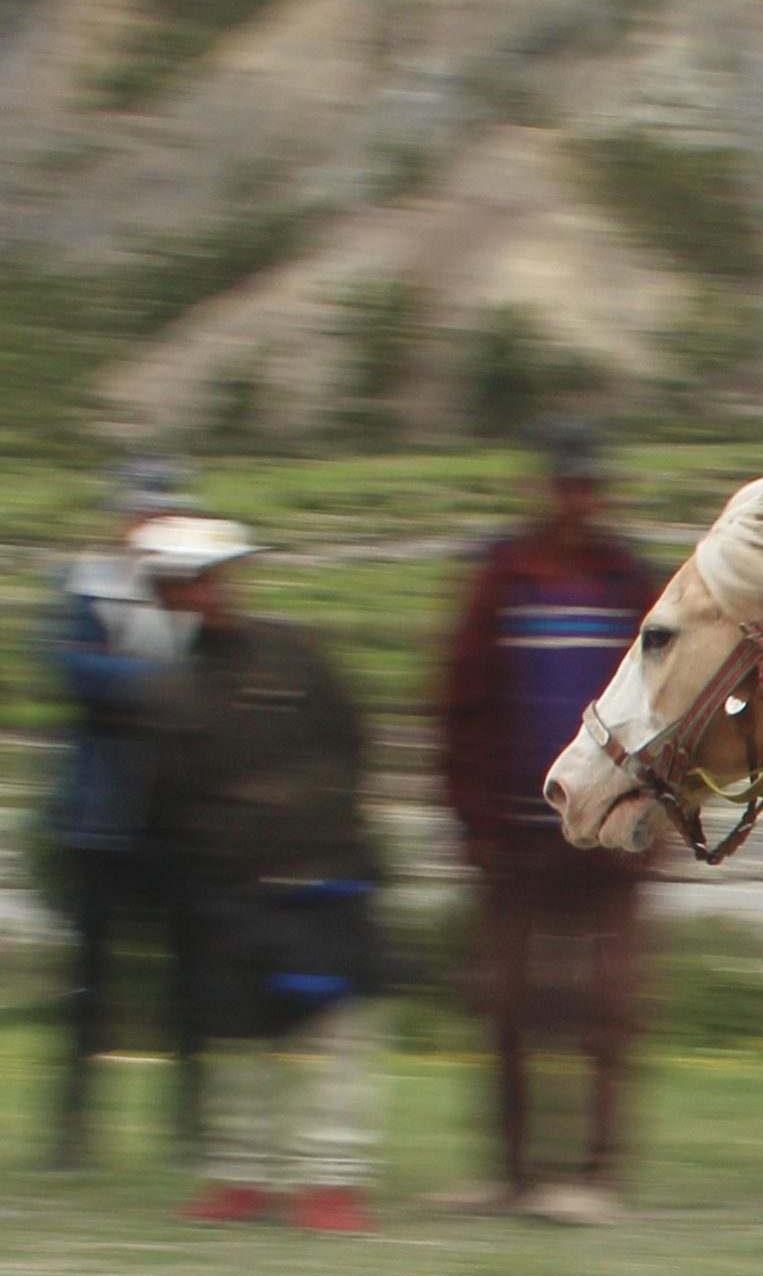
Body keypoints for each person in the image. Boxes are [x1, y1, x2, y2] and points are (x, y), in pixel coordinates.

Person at [435, 420, 658, 1223]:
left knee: (608, 1001)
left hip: (610, 834)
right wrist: (472, 824)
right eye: (566, 485)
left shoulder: (630, 583)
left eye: (589, 486)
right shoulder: (504, 576)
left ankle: (594, 1175)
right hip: (514, 833)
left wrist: (649, 820)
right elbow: (458, 705)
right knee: (507, 1001)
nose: (578, 502)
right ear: (545, 489)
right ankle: (514, 1173)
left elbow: (670, 706)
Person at [140, 516, 385, 1232]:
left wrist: (315, 819)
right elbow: (166, 801)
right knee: (237, 1038)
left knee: (339, 1032)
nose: (202, 594)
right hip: (229, 888)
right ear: (167, 596)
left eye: (211, 578)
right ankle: (241, 1175)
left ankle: (332, 1181)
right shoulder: (168, 693)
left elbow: (353, 740)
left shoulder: (296, 653)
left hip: (326, 871)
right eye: (183, 584)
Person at [41, 457, 206, 1169]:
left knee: (187, 977)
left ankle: (192, 1129)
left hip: (174, 816)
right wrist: (157, 683)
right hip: (101, 816)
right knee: (90, 980)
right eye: (144, 513)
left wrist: (133, 683)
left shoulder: (194, 594)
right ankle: (73, 1131)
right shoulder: (87, 584)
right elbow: (74, 670)